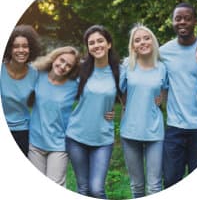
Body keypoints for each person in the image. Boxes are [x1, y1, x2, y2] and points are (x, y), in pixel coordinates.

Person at [65, 25, 121, 199]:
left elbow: (133, 95)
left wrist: (158, 98)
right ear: (87, 48)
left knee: (96, 189)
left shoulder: (120, 71)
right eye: (91, 43)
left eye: (100, 41)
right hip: (76, 136)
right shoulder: (80, 70)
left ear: (109, 44)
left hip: (103, 138)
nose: (96, 45)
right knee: (83, 189)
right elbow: (58, 85)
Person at [159, 3, 197, 188]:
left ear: (195, 21)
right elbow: (144, 67)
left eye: (187, 18)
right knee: (170, 180)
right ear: (172, 22)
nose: (182, 22)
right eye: (178, 18)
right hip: (174, 128)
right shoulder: (164, 51)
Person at [120, 24, 167, 198]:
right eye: (137, 40)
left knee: (155, 186)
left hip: (155, 132)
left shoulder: (162, 67)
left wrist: (160, 97)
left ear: (153, 41)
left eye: (146, 38)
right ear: (133, 46)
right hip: (130, 131)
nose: (143, 42)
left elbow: (165, 89)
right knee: (137, 186)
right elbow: (118, 91)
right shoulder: (126, 66)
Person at [28, 46, 80, 187]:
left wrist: (107, 110)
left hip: (59, 144)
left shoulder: (75, 85)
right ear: (54, 58)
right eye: (61, 60)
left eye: (68, 65)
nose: (63, 66)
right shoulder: (37, 75)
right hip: (35, 142)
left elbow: (95, 95)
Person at [0, 24, 41, 156]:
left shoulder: (35, 73)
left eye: (25, 46)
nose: (21, 50)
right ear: (9, 48)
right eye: (16, 46)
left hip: (24, 131)